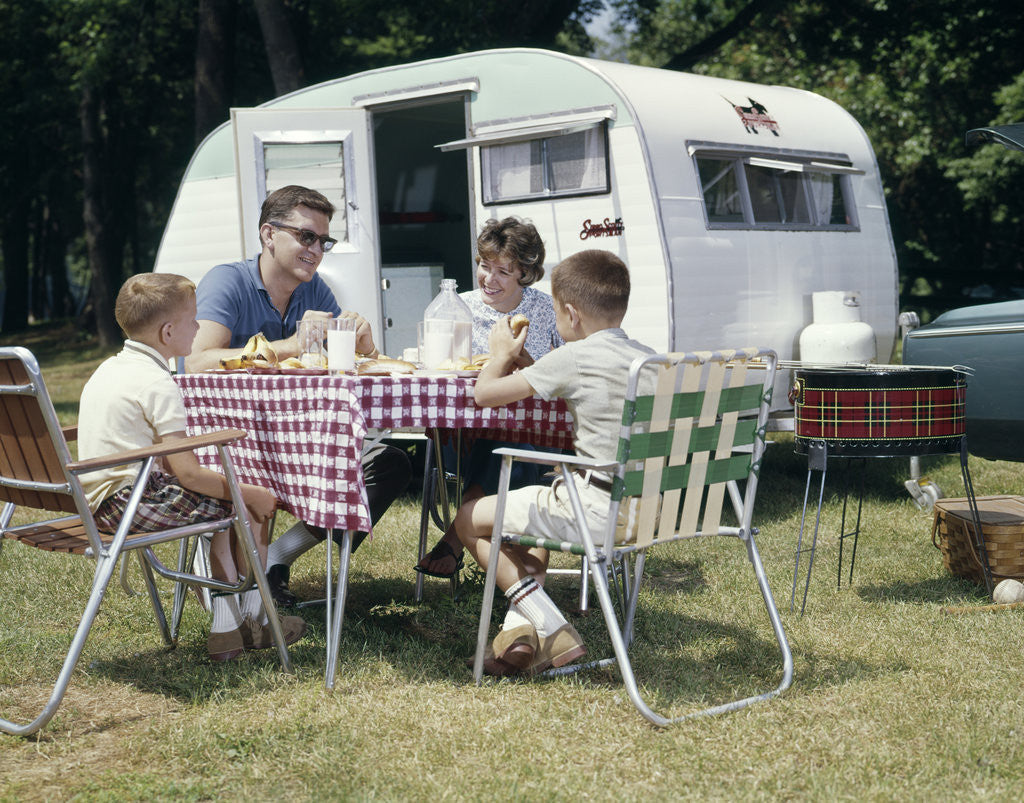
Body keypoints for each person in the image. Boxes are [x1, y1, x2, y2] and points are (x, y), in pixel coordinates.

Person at [187, 185, 412, 607]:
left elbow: (340, 369)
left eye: (323, 241)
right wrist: (289, 344)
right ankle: (239, 581)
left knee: (390, 466)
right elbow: (197, 361)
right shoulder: (228, 280)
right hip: (236, 447)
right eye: (306, 236)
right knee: (321, 474)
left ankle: (275, 558)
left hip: (298, 443)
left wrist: (364, 347)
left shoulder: (315, 290)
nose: (316, 249)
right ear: (268, 234)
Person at [77, 273, 307, 662]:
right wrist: (253, 493)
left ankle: (233, 627)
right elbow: (188, 475)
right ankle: (247, 622)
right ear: (169, 332)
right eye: (194, 320)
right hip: (133, 505)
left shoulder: (109, 370)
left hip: (97, 503)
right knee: (244, 505)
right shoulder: (157, 382)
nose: (199, 327)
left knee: (223, 501)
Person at [453, 249, 656, 676]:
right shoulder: (649, 359)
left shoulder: (574, 356)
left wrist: (500, 352)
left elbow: (484, 394)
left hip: (598, 512)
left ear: (570, 313)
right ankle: (519, 633)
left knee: (468, 520)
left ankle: (552, 625)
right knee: (533, 519)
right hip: (654, 510)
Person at [415, 216, 563, 579]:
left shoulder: (547, 311)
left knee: (517, 435)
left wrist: (522, 362)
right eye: (484, 266)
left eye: (502, 271)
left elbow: (560, 378)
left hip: (537, 437)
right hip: (463, 437)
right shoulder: (456, 308)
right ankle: (527, 586)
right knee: (507, 440)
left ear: (524, 274)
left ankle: (457, 532)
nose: (488, 279)